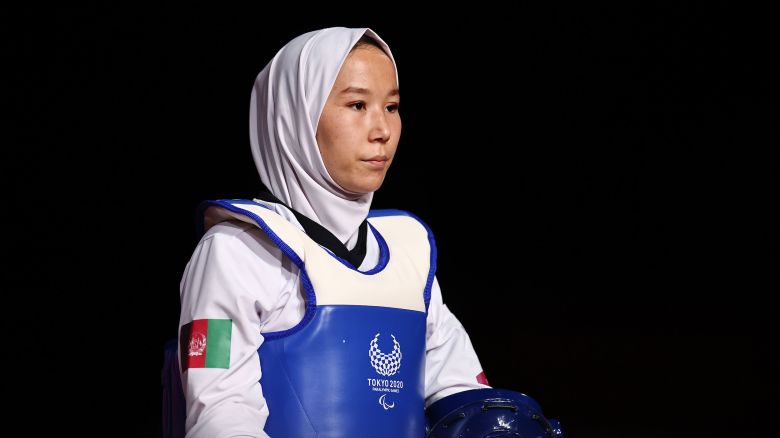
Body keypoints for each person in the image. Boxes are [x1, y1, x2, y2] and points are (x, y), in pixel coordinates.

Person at [170, 26, 561, 438]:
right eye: (357, 104)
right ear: (295, 117)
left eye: (391, 106)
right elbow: (220, 414)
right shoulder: (236, 250)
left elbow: (462, 397)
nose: (382, 130)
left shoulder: (409, 255)